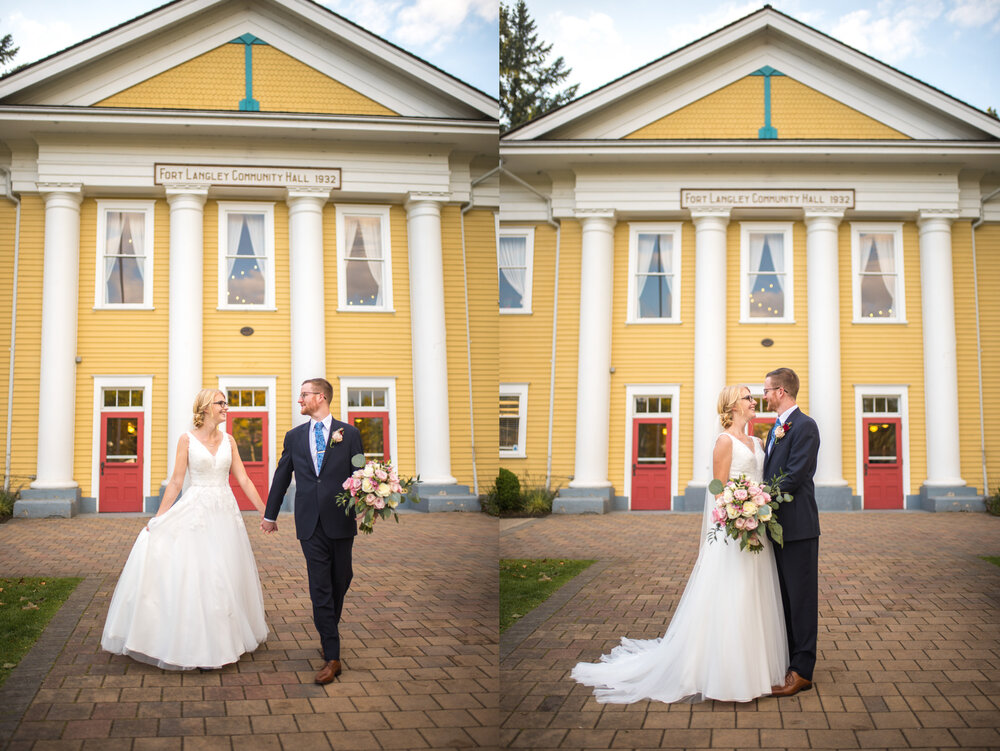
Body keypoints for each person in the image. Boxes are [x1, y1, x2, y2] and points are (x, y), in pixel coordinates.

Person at [571, 385, 788, 703]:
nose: (754, 401)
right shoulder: (724, 441)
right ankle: (724, 674)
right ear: (732, 406)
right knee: (732, 596)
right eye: (747, 397)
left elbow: (763, 481)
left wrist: (760, 508)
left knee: (756, 596)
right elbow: (719, 491)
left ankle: (758, 670)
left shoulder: (758, 442)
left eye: (753, 397)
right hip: (734, 532)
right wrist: (740, 513)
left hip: (758, 530)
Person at [102, 389, 268, 670]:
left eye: (225, 403)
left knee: (226, 572)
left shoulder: (229, 440)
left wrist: (266, 511)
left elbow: (244, 478)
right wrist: (158, 518)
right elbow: (177, 483)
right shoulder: (186, 440)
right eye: (220, 403)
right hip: (197, 512)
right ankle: (200, 644)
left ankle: (224, 638)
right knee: (204, 573)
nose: (225, 407)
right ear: (205, 408)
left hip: (225, 514)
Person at [261, 378, 364, 685]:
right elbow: (281, 477)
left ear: (320, 397)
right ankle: (332, 655)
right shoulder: (294, 437)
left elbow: (359, 472)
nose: (299, 400)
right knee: (320, 586)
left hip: (341, 520)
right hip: (309, 523)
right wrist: (270, 514)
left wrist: (366, 502)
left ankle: (327, 628)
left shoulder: (350, 434)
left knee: (341, 578)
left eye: (304, 395)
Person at [762, 367, 821, 697]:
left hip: (798, 527)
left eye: (767, 390)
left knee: (801, 600)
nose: (764, 395)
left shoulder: (805, 426)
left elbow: (795, 475)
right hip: (776, 526)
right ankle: (788, 660)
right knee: (783, 598)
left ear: (781, 391)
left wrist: (759, 497)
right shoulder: (775, 429)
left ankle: (802, 671)